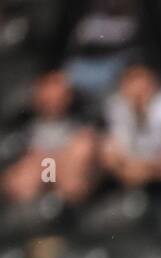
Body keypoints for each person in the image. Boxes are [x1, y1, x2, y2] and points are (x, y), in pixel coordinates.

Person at [2, 71, 99, 206]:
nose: (53, 98)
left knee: (81, 151)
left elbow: (75, 180)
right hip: (37, 182)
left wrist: (49, 162)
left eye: (60, 93)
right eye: (47, 92)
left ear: (68, 96)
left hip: (67, 182)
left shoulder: (83, 125)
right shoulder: (21, 126)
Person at [99, 64, 161, 188]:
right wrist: (131, 171)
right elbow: (110, 160)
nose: (137, 91)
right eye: (130, 83)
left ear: (155, 83)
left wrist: (146, 170)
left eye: (143, 83)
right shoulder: (114, 108)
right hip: (126, 184)